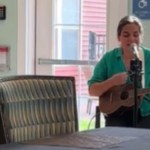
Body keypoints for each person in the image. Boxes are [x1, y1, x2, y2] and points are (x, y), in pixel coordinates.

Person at [88, 15, 150, 128]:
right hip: (117, 115)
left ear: (141, 37)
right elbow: (93, 90)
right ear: (119, 37)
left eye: (136, 35)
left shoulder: (148, 57)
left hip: (146, 112)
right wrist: (112, 81)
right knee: (115, 136)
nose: (131, 39)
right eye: (126, 35)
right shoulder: (109, 58)